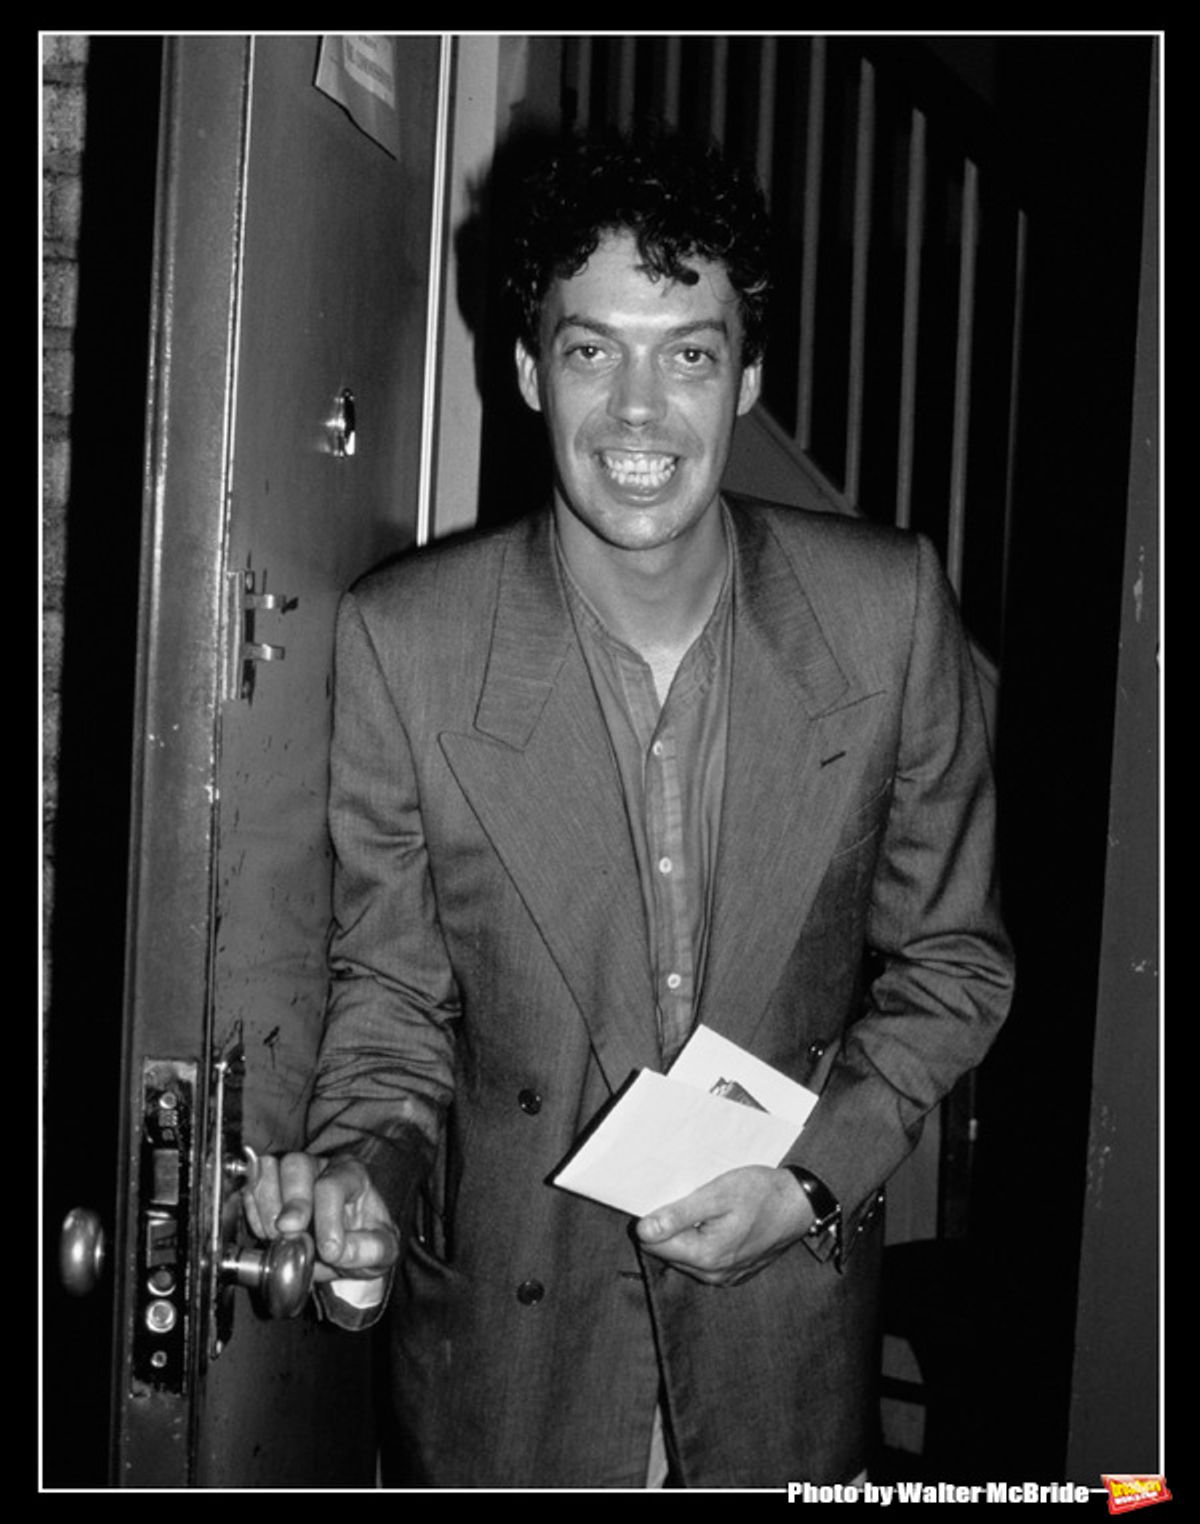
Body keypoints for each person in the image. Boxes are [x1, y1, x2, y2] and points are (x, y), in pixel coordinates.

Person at [244, 128, 1014, 1489]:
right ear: (530, 370)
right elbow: (395, 1006)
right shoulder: (406, 643)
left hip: (782, 1339)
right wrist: (361, 1169)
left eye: (691, 353)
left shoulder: (886, 610)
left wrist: (816, 1176)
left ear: (749, 374)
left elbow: (954, 962)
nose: (642, 414)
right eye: (596, 350)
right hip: (509, 1369)